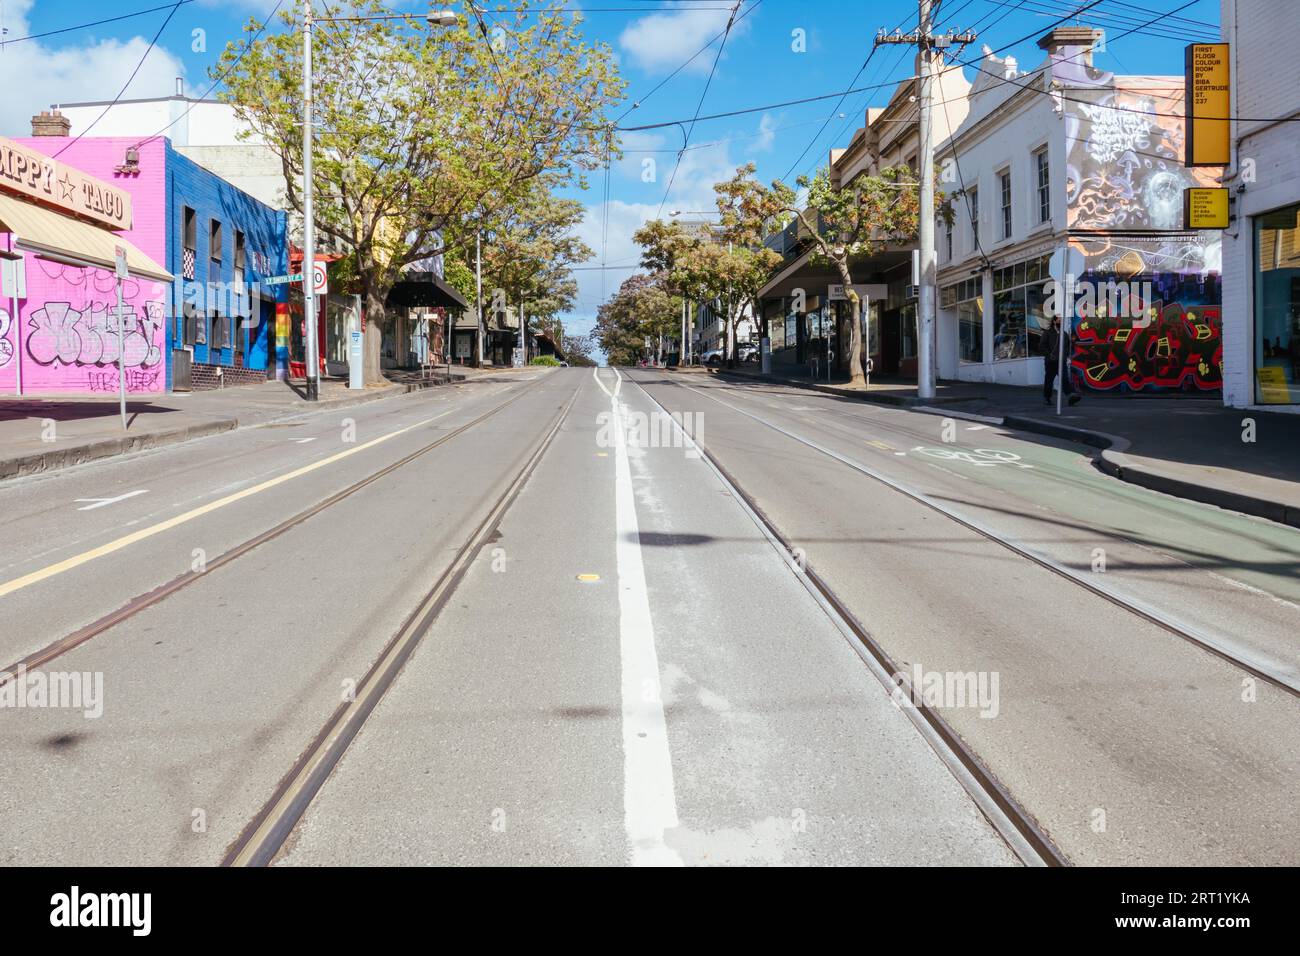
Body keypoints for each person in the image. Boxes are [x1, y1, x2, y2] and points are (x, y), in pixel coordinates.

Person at [1041, 316, 1081, 406]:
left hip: (1061, 361)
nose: (1060, 322)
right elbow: (1042, 346)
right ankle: (1047, 398)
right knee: (1049, 380)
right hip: (1051, 362)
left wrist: (1065, 356)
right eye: (1059, 320)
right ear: (1054, 321)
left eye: (1061, 321)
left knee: (1065, 379)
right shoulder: (1047, 333)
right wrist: (1049, 355)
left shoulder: (1064, 334)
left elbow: (1067, 347)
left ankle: (1071, 396)